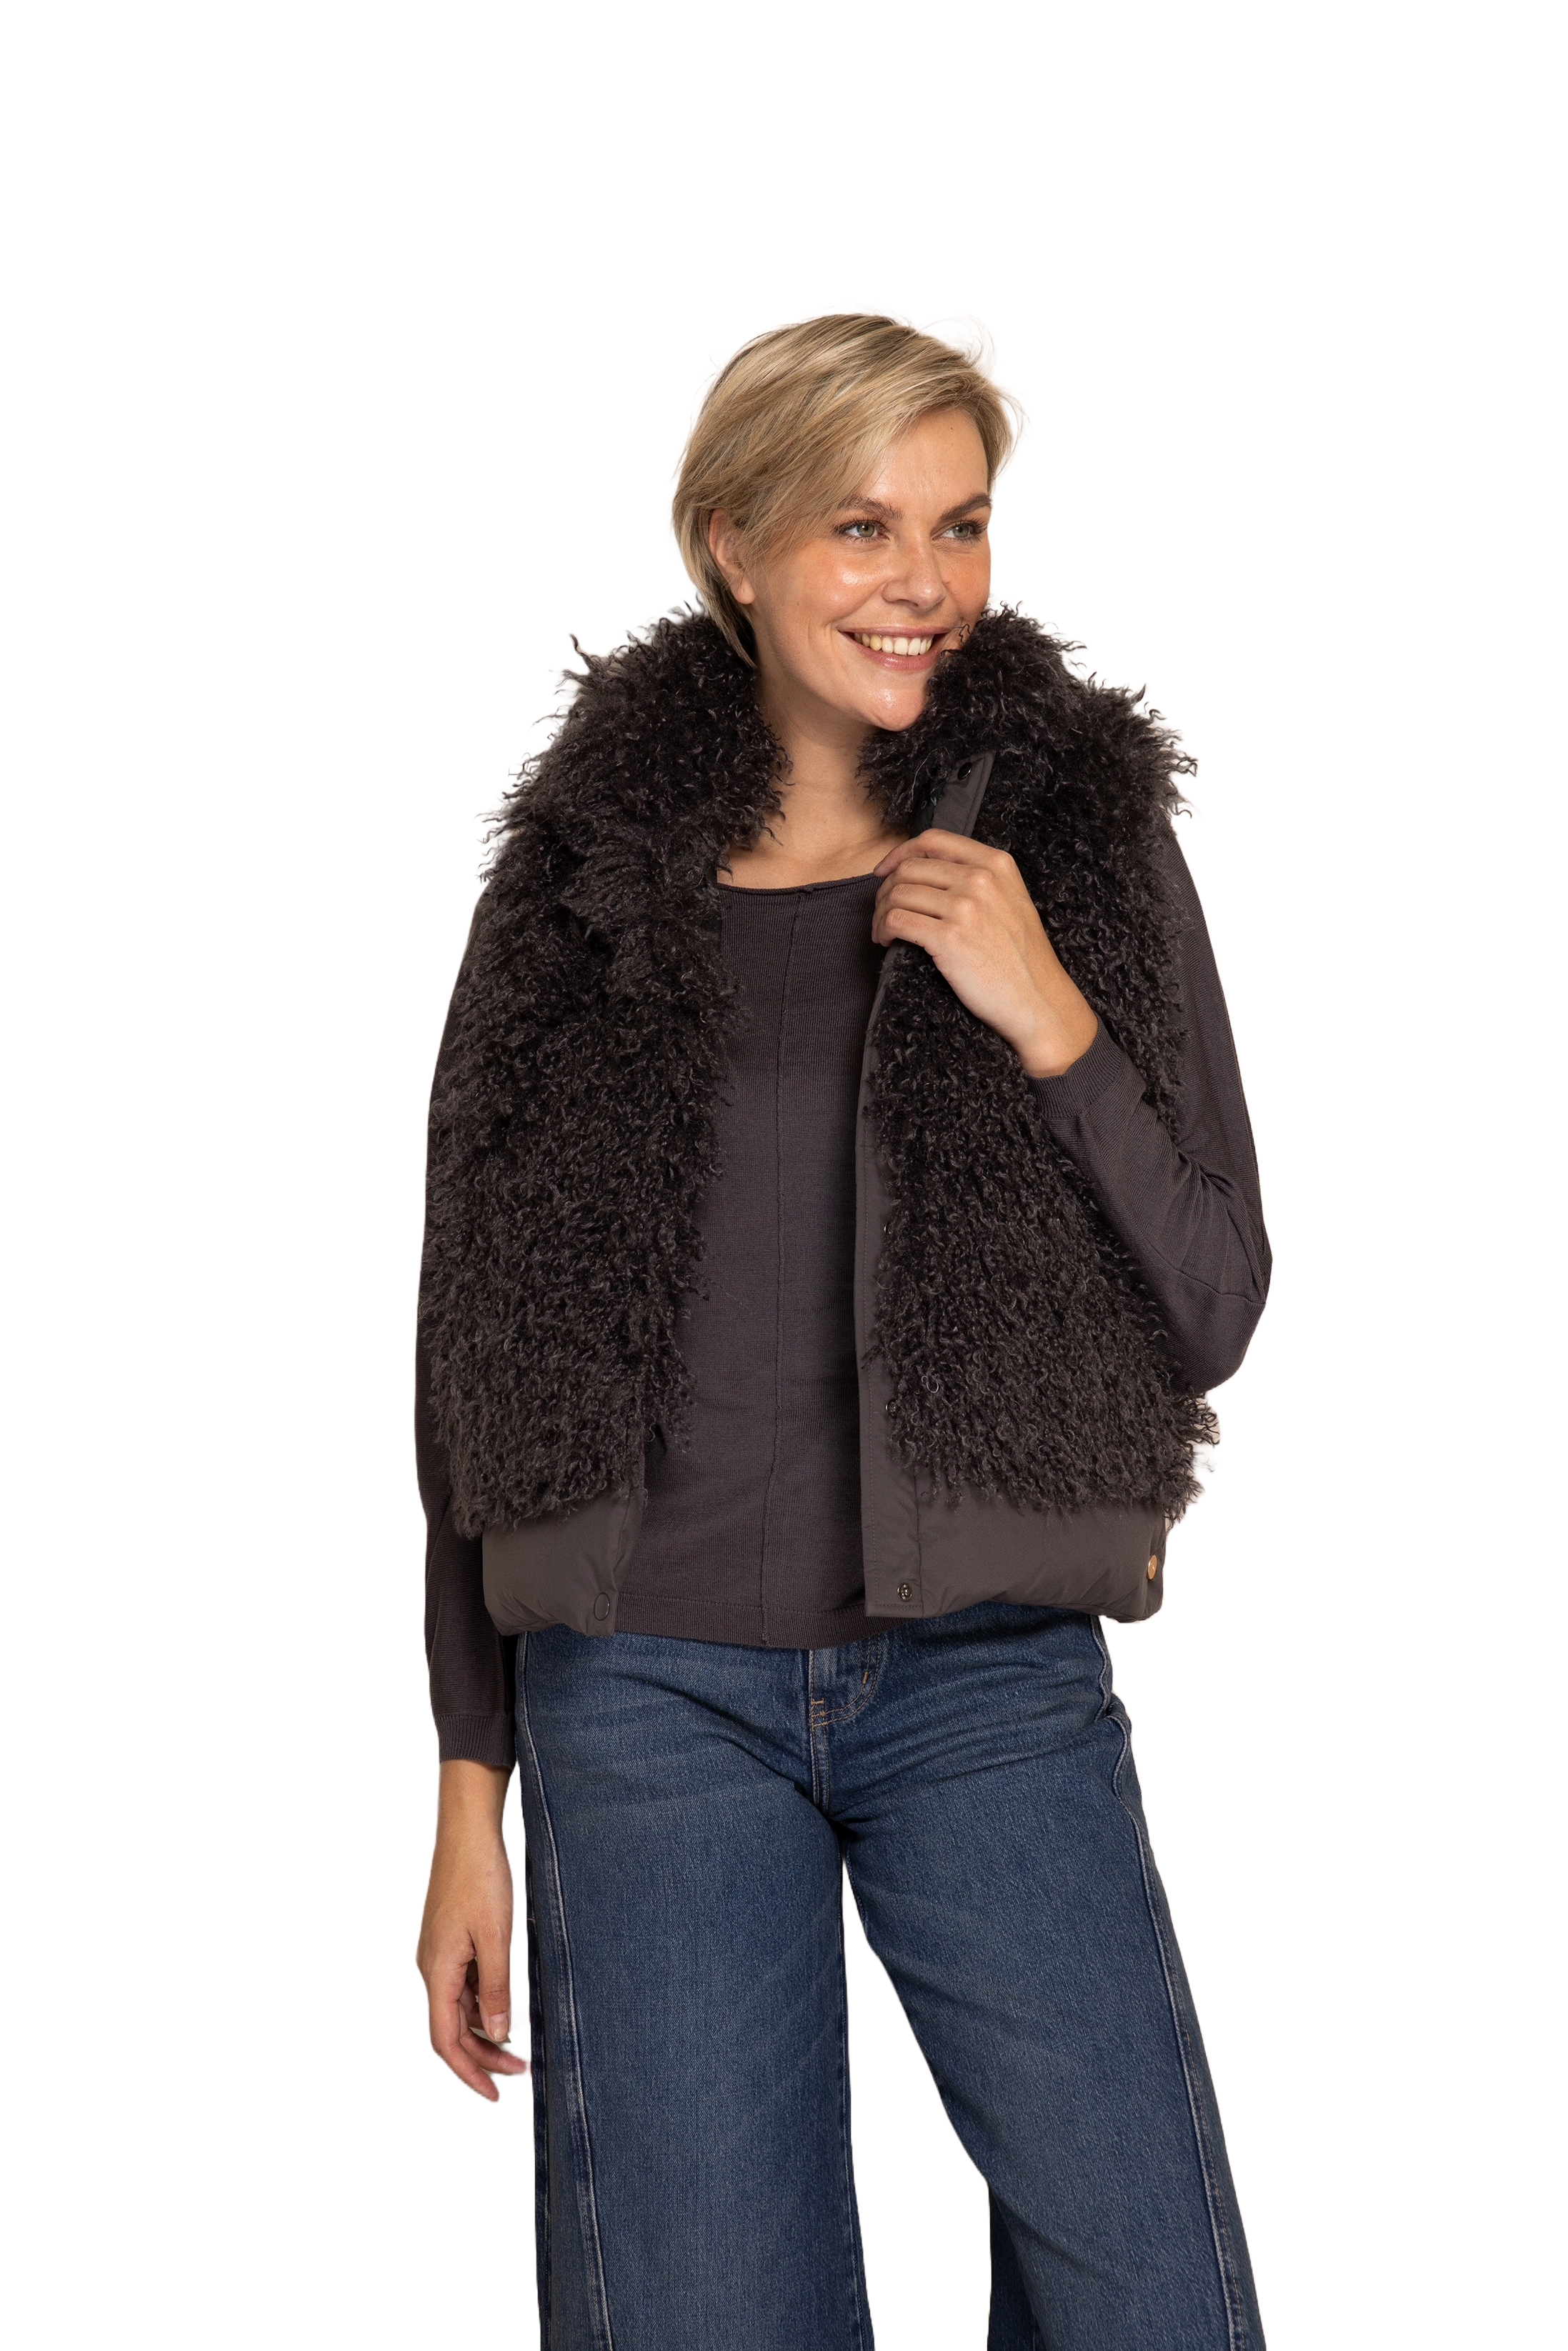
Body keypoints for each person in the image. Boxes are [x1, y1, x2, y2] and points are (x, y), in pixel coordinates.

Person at [415, 314, 1270, 2351]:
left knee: (1152, 2298)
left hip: (989, 1680)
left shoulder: (1068, 839)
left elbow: (1217, 1295)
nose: (924, 582)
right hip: (645, 1693)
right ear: (734, 544)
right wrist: (469, 1784)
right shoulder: (582, 876)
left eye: (960, 524)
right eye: (863, 525)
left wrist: (1044, 1011)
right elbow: (475, 1347)